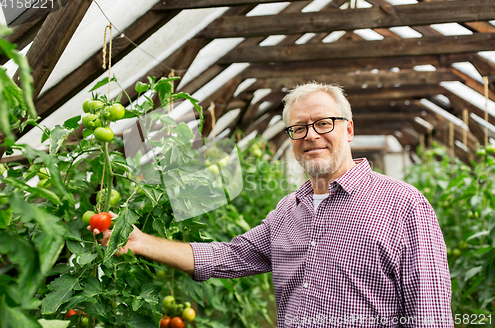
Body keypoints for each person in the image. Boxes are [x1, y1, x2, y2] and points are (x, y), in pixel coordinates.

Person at [93, 82, 453, 327]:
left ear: (348, 130)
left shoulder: (402, 205)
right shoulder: (288, 211)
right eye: (299, 128)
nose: (310, 135)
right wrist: (140, 242)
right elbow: (228, 257)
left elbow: (431, 314)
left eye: (323, 123)